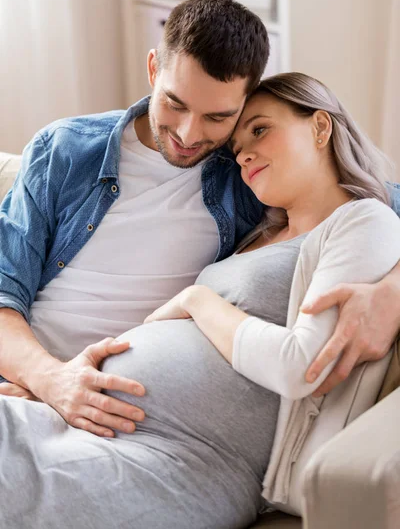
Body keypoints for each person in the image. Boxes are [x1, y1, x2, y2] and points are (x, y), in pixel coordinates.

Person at [0, 72, 399, 529]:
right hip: (90, 419)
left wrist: (197, 300)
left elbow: (299, 366)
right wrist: (54, 384)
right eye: (237, 144)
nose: (243, 152)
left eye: (261, 129)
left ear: (320, 128)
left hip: (179, 458)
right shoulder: (257, 231)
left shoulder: (362, 219)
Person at [0, 0, 399, 440]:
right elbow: (3, 290)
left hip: (118, 414)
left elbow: (370, 196)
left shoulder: (248, 174)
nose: (190, 134)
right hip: (26, 384)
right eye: (175, 103)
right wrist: (50, 380)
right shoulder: (65, 149)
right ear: (154, 69)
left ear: (244, 104)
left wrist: (393, 291)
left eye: (218, 117)